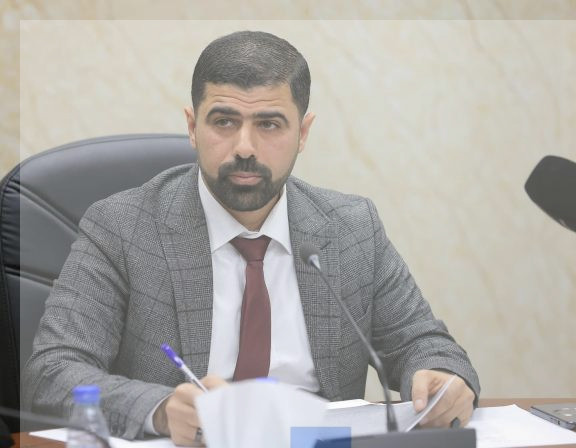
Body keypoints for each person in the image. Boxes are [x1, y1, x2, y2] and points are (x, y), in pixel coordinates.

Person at [23, 30, 480, 446]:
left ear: (303, 133)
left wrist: (442, 378)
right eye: (224, 121)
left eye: (269, 124)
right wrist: (160, 410)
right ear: (192, 126)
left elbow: (424, 343)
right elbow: (52, 371)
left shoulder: (352, 228)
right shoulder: (122, 228)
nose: (244, 147)